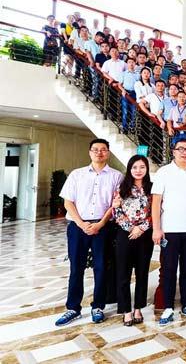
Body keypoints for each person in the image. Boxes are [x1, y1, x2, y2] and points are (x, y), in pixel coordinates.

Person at [55, 139, 123, 327]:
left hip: (103, 227)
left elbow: (115, 204)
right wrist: (81, 223)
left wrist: (100, 224)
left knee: (101, 267)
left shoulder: (117, 176)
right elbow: (68, 202)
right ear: (90, 152)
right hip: (78, 226)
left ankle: (98, 306)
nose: (99, 153)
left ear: (108, 153)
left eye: (103, 150)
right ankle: (73, 308)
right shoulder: (77, 174)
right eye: (95, 149)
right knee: (76, 267)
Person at [151, 139, 186, 326]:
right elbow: (156, 202)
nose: (184, 152)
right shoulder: (163, 172)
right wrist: (157, 228)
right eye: (180, 149)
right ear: (173, 152)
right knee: (169, 269)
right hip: (169, 230)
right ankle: (168, 307)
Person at [110, 155, 153, 327]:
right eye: (135, 167)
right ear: (129, 169)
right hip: (125, 235)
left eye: (142, 167)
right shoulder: (122, 188)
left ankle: (138, 308)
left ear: (147, 169)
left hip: (145, 235)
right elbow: (116, 211)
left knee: (142, 273)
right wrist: (130, 228)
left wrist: (141, 228)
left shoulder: (152, 188)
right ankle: (126, 310)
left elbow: (157, 211)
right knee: (123, 273)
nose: (138, 170)